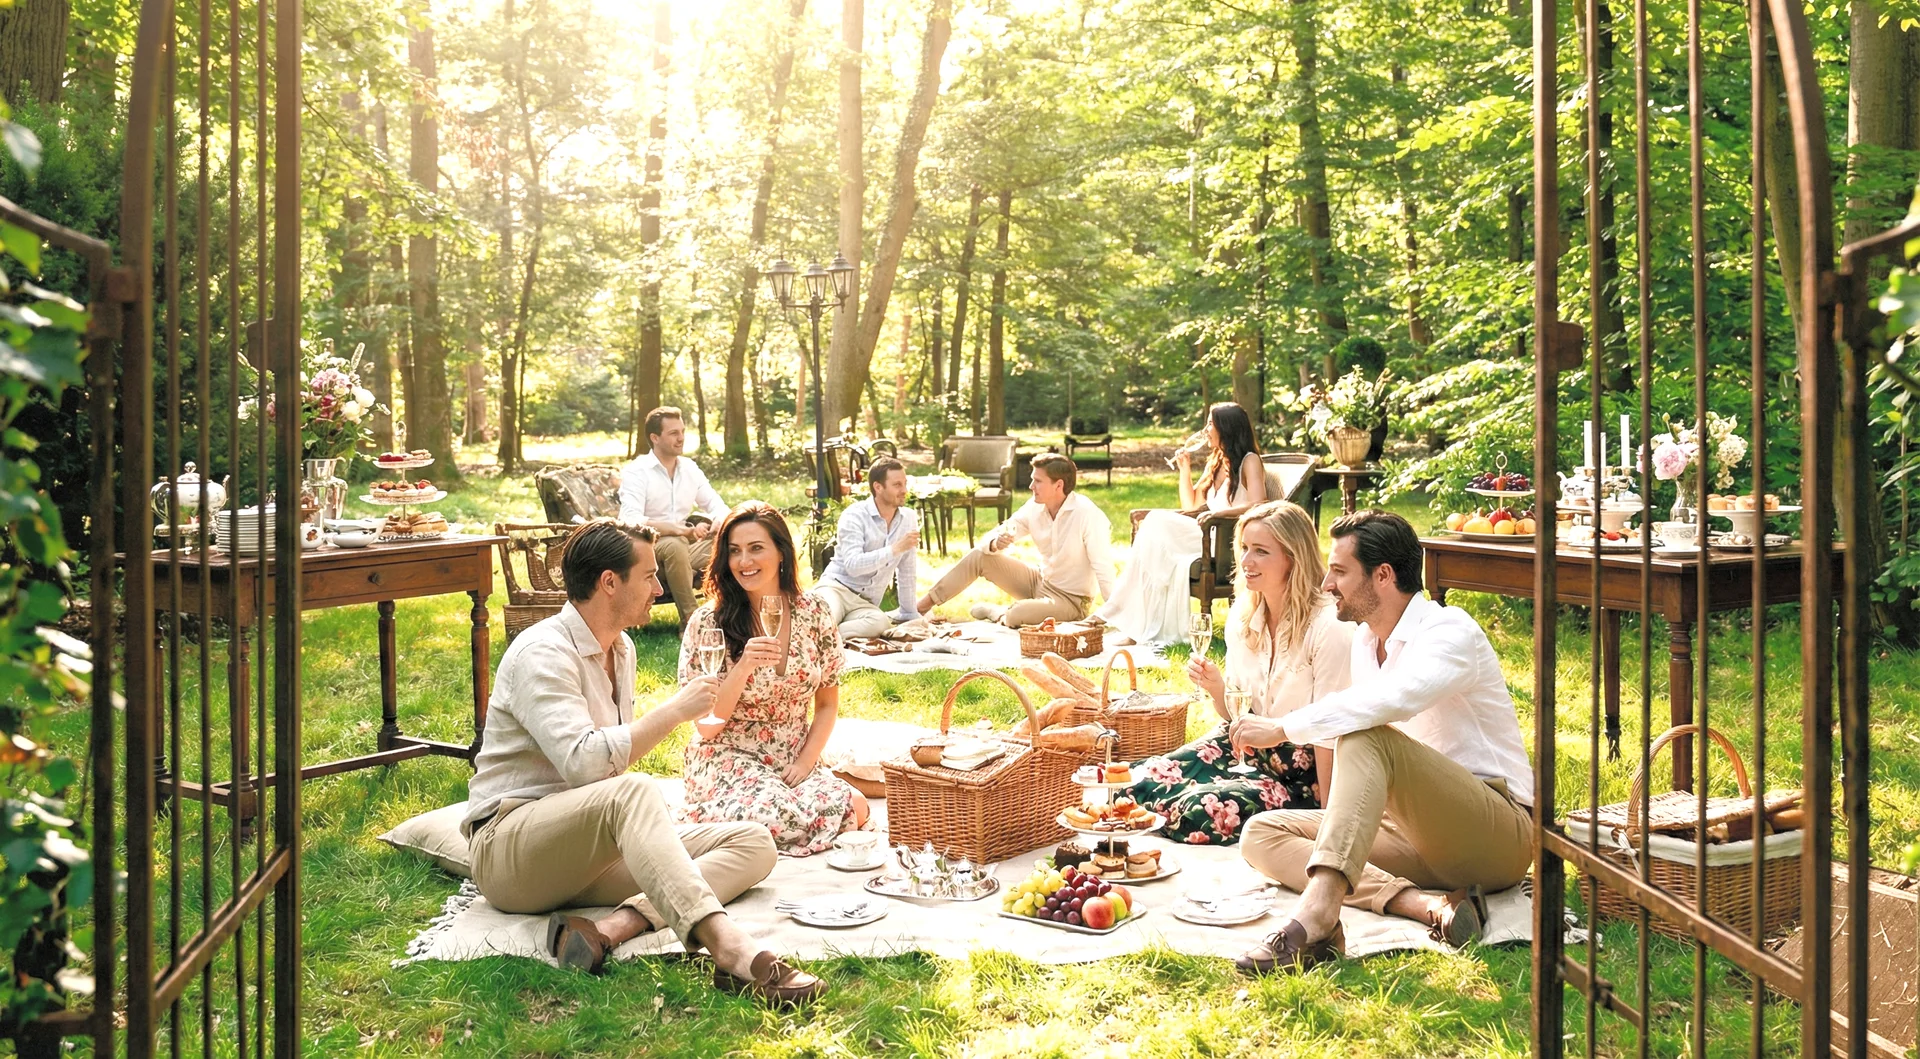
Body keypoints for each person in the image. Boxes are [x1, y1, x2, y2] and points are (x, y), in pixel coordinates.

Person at [463, 519, 825, 1002]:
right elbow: (586, 766)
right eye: (650, 576)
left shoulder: (623, 648)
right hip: (513, 852)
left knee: (754, 842)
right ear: (609, 583)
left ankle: (612, 928)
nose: (659, 588)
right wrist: (674, 713)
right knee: (636, 791)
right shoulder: (542, 653)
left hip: (585, 849)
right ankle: (732, 952)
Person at [1230, 510, 1534, 975]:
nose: (1327, 583)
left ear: (1384, 576)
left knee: (1368, 732)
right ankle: (1424, 907)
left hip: (1496, 833)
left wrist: (1280, 727)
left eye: (1340, 571)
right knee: (1262, 834)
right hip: (1415, 832)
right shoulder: (1365, 641)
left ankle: (1318, 916)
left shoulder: (1450, 632)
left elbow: (1389, 702)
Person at [1128, 500, 1351, 844]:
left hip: (1300, 769)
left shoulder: (1327, 626)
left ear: (1294, 557)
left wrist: (1327, 816)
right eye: (1244, 548)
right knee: (1138, 779)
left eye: (1261, 551)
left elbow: (1330, 730)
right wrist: (1218, 688)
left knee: (1200, 812)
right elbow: (1236, 714)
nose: (1246, 561)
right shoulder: (1244, 615)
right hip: (1242, 745)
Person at [678, 501, 868, 855]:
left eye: (755, 548)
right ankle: (712, 821)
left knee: (855, 805)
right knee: (772, 816)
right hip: (728, 754)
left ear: (781, 552)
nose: (744, 562)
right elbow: (706, 727)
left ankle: (756, 824)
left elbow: (826, 704)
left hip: (792, 754)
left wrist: (806, 761)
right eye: (734, 551)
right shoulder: (708, 624)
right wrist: (743, 666)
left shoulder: (814, 612)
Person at [1101, 402, 1268, 646]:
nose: (1206, 429)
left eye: (1211, 423)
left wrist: (1217, 516)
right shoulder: (1217, 461)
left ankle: (1126, 618)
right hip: (1204, 532)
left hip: (1222, 539)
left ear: (1226, 427)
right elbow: (1191, 505)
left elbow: (1259, 504)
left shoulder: (1249, 461)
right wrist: (1184, 469)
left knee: (1155, 522)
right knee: (1154, 543)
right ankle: (1138, 626)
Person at [915, 453, 1115, 626]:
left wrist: (1115, 614)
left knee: (1016, 615)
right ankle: (920, 607)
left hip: (1071, 600)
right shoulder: (1034, 506)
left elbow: (1103, 566)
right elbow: (1001, 531)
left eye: (1037, 481)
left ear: (1059, 485)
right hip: (1039, 582)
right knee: (980, 556)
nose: (1030, 486)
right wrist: (996, 543)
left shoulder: (1087, 514)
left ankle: (1000, 612)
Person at [618, 406, 729, 622]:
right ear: (655, 437)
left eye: (682, 432)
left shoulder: (689, 468)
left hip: (686, 547)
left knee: (731, 538)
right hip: (647, 547)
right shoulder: (638, 471)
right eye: (673, 433)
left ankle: (732, 613)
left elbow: (718, 506)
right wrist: (676, 529)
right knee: (674, 544)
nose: (681, 439)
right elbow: (629, 520)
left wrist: (718, 521)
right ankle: (692, 621)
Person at [814, 456, 921, 638]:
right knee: (824, 617)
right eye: (897, 485)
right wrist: (895, 548)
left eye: (905, 484)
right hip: (836, 589)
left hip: (865, 604)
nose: (904, 490)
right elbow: (853, 566)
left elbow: (907, 571)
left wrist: (909, 613)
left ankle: (829, 638)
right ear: (878, 487)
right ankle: (827, 632)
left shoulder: (909, 518)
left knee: (880, 623)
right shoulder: (854, 515)